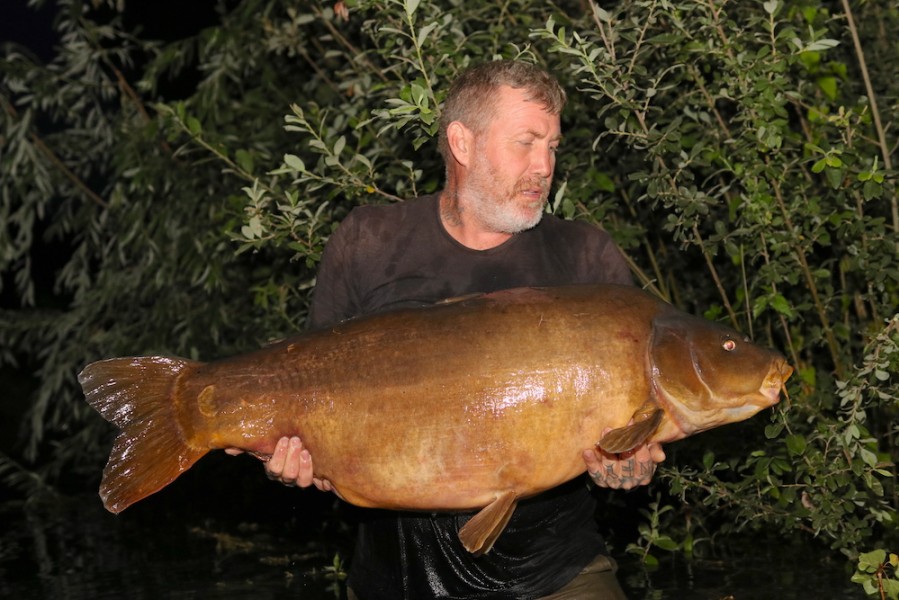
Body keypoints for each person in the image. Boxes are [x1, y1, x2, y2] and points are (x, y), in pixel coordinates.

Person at [252, 60, 665, 599]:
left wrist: (630, 464)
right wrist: (290, 456)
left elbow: (634, 427)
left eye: (553, 146)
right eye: (526, 142)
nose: (544, 165)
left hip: (554, 575)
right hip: (395, 579)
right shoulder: (369, 242)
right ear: (462, 144)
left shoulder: (585, 258)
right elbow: (305, 394)